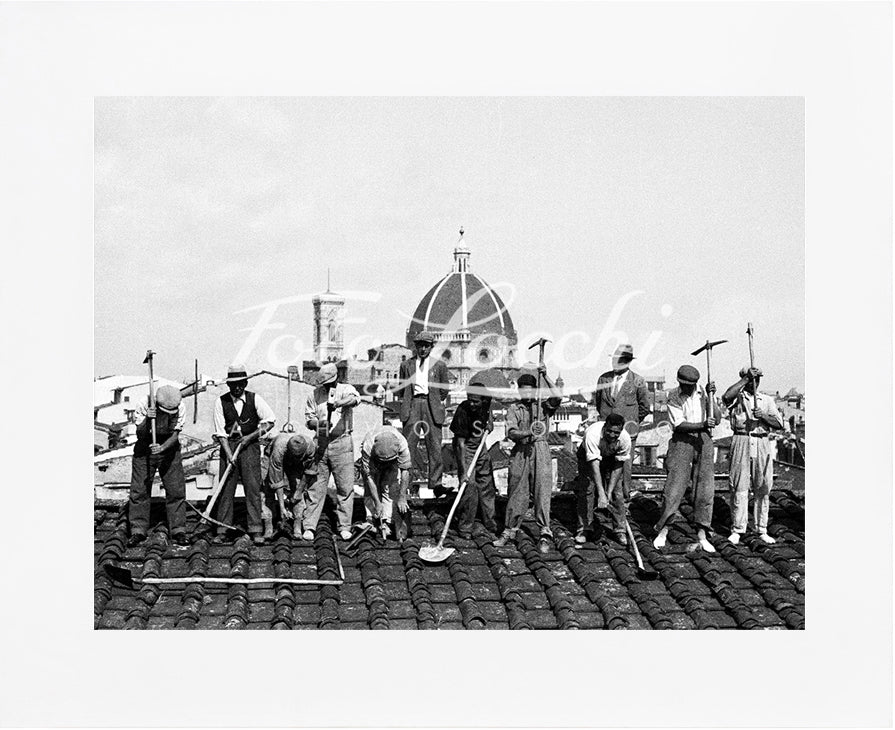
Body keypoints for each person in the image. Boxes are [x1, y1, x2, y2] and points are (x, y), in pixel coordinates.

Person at [493, 367, 562, 553]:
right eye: (523, 389)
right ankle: (509, 530)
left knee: (542, 492)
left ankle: (545, 533)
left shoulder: (543, 406)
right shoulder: (514, 408)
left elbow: (557, 396)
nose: (526, 393)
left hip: (541, 450)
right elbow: (512, 432)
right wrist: (528, 432)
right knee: (517, 490)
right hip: (521, 451)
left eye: (530, 389)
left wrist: (546, 375)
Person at [653, 364, 720, 553]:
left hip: (704, 441)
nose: (686, 388)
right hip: (682, 441)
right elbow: (679, 425)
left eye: (690, 385)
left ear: (695, 383)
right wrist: (703, 424)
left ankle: (702, 534)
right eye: (683, 384)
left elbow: (718, 418)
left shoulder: (704, 394)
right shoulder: (673, 396)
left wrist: (712, 398)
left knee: (705, 489)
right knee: (673, 488)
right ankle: (663, 531)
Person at [212, 364, 276, 545]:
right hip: (229, 447)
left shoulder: (255, 399)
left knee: (253, 488)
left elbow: (270, 421)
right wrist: (229, 454)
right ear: (228, 385)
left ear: (246, 383)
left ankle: (255, 529)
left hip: (250, 447)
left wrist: (251, 437)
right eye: (233, 384)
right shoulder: (220, 402)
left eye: (241, 383)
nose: (237, 387)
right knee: (226, 488)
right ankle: (223, 529)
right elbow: (220, 433)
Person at [721, 366, 785, 545]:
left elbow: (778, 424)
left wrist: (763, 416)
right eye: (751, 379)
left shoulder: (766, 400)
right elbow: (726, 397)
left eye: (757, 379)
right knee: (739, 486)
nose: (755, 382)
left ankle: (761, 528)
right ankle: (738, 528)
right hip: (742, 439)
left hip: (762, 441)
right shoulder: (738, 396)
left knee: (763, 485)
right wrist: (745, 380)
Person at [304, 362, 361, 541]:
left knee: (345, 487)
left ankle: (344, 526)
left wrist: (337, 404)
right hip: (321, 441)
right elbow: (309, 419)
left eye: (329, 383)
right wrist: (319, 424)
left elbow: (354, 399)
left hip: (342, 442)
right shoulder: (314, 394)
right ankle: (310, 526)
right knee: (316, 486)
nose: (326, 386)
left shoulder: (346, 389)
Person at [127, 384, 189, 547]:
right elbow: (139, 433)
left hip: (169, 448)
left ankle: (178, 529)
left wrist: (162, 448)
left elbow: (175, 435)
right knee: (139, 490)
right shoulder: (143, 403)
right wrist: (148, 418)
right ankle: (138, 530)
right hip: (144, 447)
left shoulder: (180, 405)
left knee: (176, 490)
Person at [593, 344, 651, 498]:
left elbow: (645, 407)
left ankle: (624, 498)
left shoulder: (638, 380)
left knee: (625, 465)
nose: (616, 363)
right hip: (606, 430)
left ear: (628, 362)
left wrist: (631, 422)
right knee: (604, 463)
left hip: (627, 431)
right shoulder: (603, 378)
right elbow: (599, 403)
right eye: (615, 360)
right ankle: (604, 497)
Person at [397, 331, 450, 496]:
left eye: (426, 346)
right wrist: (409, 402)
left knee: (434, 445)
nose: (423, 349)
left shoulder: (439, 366)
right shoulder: (406, 365)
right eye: (420, 346)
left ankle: (436, 484)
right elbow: (401, 388)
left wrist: (433, 400)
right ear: (415, 347)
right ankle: (408, 483)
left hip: (431, 405)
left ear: (431, 347)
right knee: (409, 446)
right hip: (413, 404)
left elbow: (444, 391)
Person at [450, 374, 498, 539]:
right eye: (469, 399)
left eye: (475, 401)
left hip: (481, 447)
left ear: (483, 400)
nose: (472, 403)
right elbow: (460, 445)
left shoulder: (486, 402)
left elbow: (488, 414)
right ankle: (465, 527)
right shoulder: (463, 411)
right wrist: (463, 471)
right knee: (469, 486)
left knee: (487, 486)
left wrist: (490, 423)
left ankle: (490, 525)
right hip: (466, 448)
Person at [575, 413, 632, 545]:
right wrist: (601, 494)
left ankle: (620, 530)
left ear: (621, 431)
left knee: (617, 491)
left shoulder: (625, 439)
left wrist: (608, 492)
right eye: (609, 431)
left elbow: (618, 466)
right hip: (588, 457)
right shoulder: (592, 435)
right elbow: (594, 466)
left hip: (610, 457)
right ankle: (584, 528)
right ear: (604, 427)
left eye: (616, 432)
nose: (612, 435)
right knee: (587, 488)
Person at [360, 424, 413, 541]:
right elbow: (370, 478)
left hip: (393, 463)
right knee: (370, 491)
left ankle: (386, 522)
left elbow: (405, 471)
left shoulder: (402, 444)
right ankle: (371, 518)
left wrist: (402, 497)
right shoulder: (368, 446)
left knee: (391, 487)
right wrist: (377, 503)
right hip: (373, 461)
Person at [263, 429, 317, 540]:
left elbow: (308, 472)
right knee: (266, 488)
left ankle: (297, 523)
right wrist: (282, 507)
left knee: (297, 487)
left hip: (295, 464)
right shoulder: (279, 449)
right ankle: (268, 524)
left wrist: (298, 492)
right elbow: (276, 481)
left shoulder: (311, 447)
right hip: (272, 458)